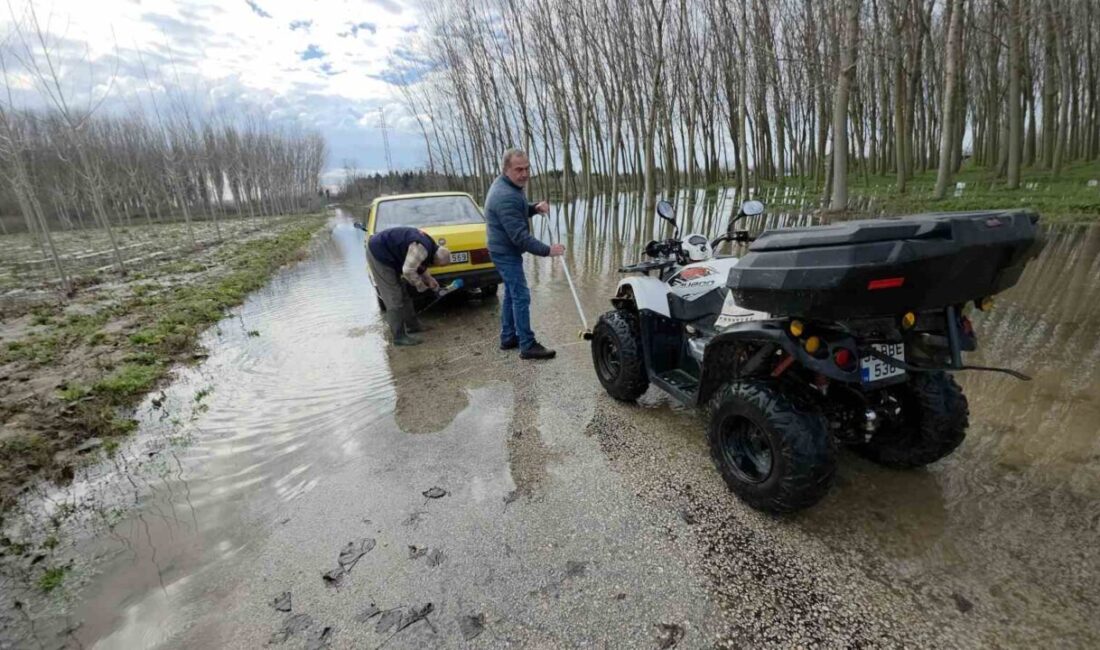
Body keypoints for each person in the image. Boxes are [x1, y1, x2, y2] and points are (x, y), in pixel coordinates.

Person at [485, 148, 565, 360]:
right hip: (505, 252)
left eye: (527, 168)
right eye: (518, 169)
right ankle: (527, 345)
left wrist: (533, 208)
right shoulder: (504, 196)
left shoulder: (510, 186)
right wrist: (549, 251)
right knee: (521, 295)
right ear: (506, 170)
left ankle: (509, 337)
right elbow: (520, 237)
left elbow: (518, 209)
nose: (524, 174)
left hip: (503, 248)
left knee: (512, 293)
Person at [366, 226, 451, 346]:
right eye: (438, 265)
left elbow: (417, 262)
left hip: (391, 253)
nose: (436, 267)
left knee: (403, 294)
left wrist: (429, 278)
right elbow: (408, 270)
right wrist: (420, 285)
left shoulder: (431, 246)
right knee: (393, 296)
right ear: (435, 259)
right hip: (379, 254)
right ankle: (398, 337)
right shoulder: (422, 248)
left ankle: (413, 326)